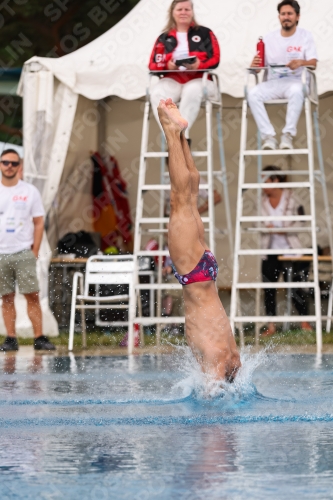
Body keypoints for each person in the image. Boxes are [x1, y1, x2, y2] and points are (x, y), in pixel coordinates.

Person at [157, 98, 241, 381]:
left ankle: (179, 133)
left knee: (188, 198)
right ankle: (172, 132)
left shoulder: (232, 358)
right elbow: (213, 390)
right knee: (183, 199)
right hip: (197, 274)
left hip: (206, 272)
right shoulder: (220, 361)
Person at [0, 149, 55, 352]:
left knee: (32, 294)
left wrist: (35, 250)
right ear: (0, 164)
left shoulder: (29, 191)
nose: (9, 166)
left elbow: (39, 222)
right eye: (5, 162)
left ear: (19, 166)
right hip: (1, 252)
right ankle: (10, 337)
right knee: (6, 297)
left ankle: (39, 336)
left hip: (23, 250)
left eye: (14, 163)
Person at [248, 0, 318, 150]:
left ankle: (287, 135)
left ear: (297, 16)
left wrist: (301, 62)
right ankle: (269, 137)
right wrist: (254, 65)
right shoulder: (268, 38)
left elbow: (313, 63)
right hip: (273, 82)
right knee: (252, 93)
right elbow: (259, 67)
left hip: (296, 81)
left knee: (296, 91)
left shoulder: (305, 36)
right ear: (279, 17)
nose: (286, 17)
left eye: (290, 14)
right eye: (283, 14)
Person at [149, 0, 220, 141]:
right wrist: (166, 66)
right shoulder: (164, 38)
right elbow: (152, 64)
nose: (183, 13)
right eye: (179, 9)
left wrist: (199, 64)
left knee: (192, 90)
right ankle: (173, 138)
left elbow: (216, 59)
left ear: (192, 12)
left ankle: (182, 137)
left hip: (199, 78)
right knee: (157, 93)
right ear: (172, 13)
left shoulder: (205, 33)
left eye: (187, 9)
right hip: (173, 78)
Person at [261, 166, 312, 336]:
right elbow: (257, 224)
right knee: (269, 288)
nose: (261, 185)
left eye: (265, 181)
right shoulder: (261, 201)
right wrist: (270, 228)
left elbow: (302, 220)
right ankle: (271, 325)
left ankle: (305, 321)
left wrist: (284, 228)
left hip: (291, 249)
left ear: (276, 181)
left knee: (295, 287)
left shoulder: (292, 197)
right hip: (270, 251)